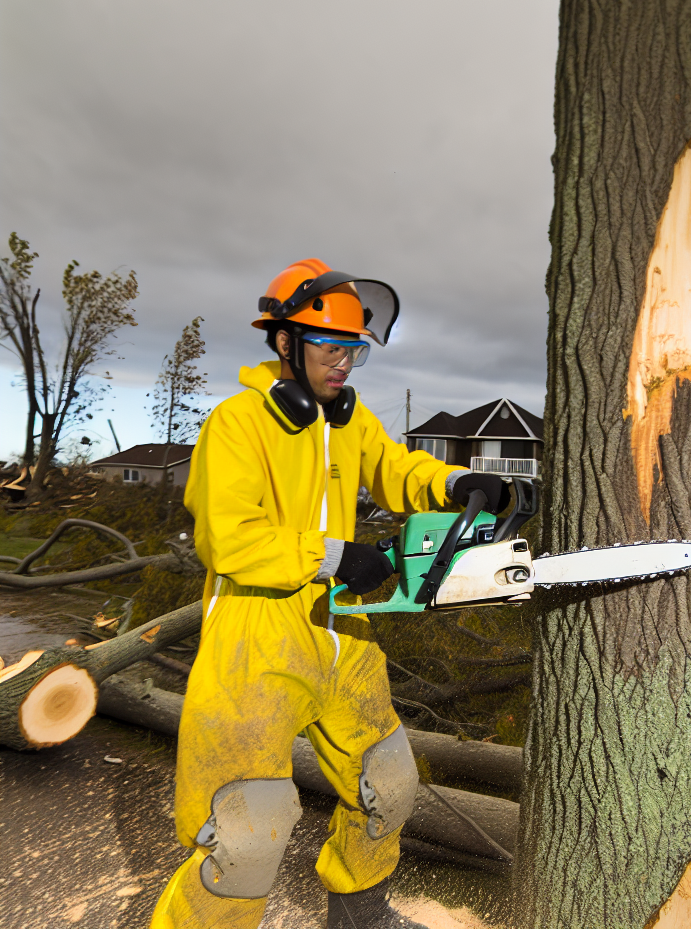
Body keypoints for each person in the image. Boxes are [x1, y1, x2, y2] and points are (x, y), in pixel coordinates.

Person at [149, 258, 508, 929]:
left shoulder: (349, 422)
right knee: (246, 829)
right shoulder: (236, 425)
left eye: (353, 351)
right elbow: (230, 539)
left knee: (389, 785)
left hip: (342, 638)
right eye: (329, 347)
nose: (343, 364)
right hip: (254, 643)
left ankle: (359, 915)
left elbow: (396, 468)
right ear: (284, 341)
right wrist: (336, 556)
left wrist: (458, 484)